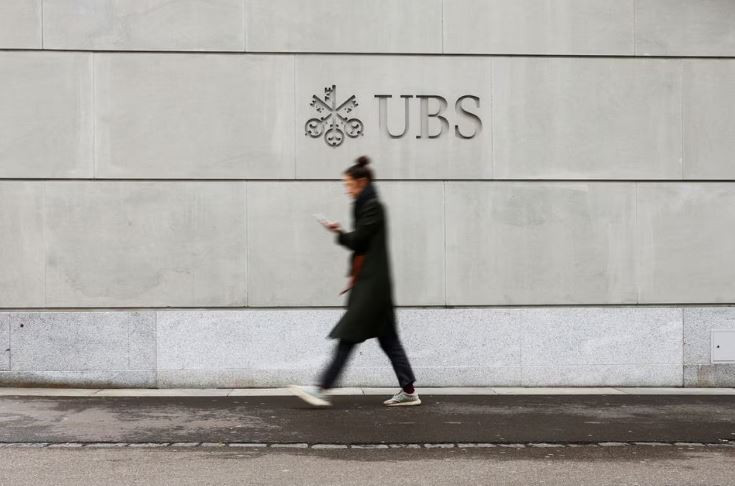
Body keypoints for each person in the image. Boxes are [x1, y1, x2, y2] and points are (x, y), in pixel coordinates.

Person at [290, 155, 420, 408]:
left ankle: (321, 388)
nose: (347, 190)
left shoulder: (372, 206)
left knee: (347, 336)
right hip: (373, 285)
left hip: (372, 287)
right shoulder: (365, 205)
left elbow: (359, 241)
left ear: (362, 182)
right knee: (389, 340)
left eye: (349, 185)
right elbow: (363, 245)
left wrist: (338, 232)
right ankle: (409, 390)